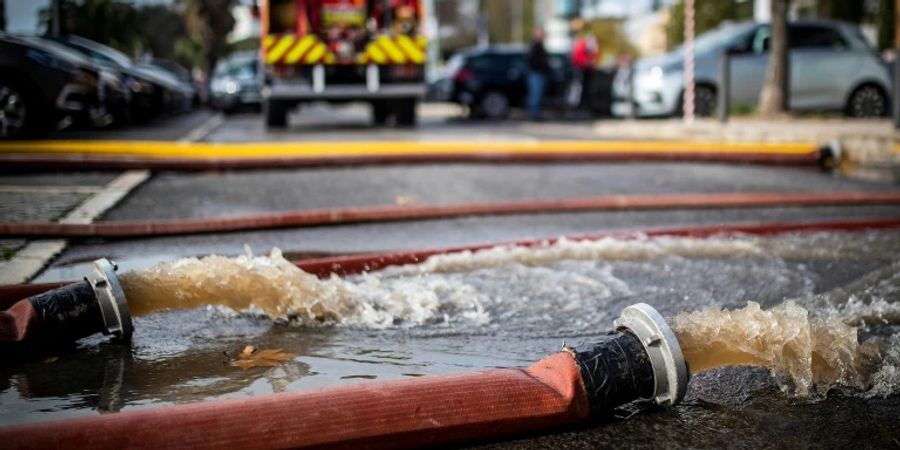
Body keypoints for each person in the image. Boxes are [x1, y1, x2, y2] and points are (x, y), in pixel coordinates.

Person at [570, 20, 599, 110]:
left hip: (582, 66)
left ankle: (580, 106)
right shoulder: (586, 38)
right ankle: (581, 106)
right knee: (582, 87)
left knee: (581, 87)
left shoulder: (582, 38)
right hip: (582, 66)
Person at [527, 28, 551, 121]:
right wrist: (542, 65)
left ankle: (535, 114)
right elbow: (532, 60)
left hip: (538, 73)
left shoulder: (538, 45)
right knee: (535, 95)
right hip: (536, 73)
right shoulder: (535, 45)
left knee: (536, 95)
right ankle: (534, 115)